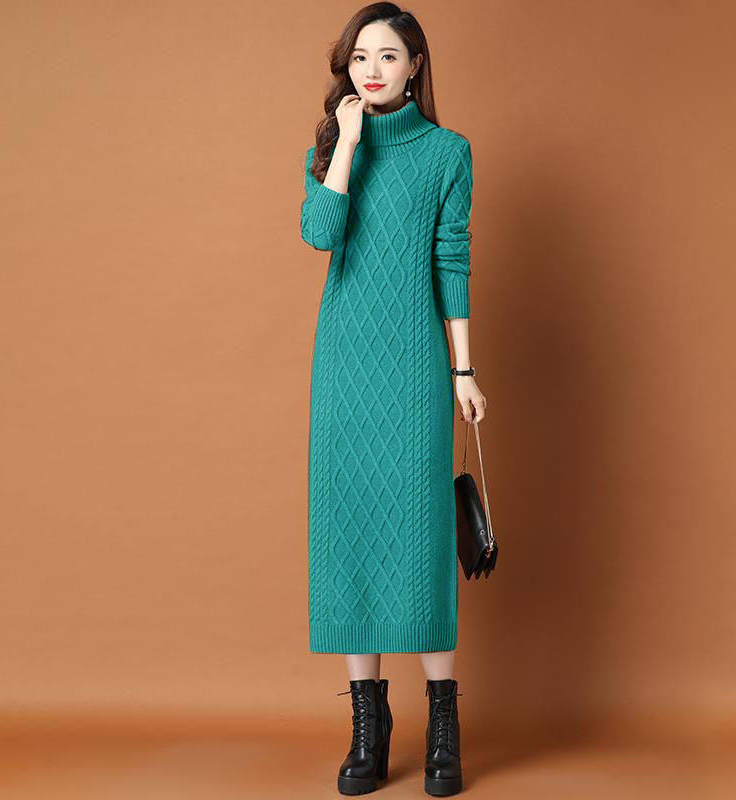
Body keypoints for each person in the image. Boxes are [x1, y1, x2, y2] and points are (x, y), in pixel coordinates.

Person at [300, 3, 487, 795]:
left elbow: (452, 258)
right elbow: (319, 233)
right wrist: (346, 143)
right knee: (350, 532)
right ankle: (367, 730)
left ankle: (443, 726)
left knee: (420, 536)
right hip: (344, 368)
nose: (371, 69)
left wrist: (463, 371)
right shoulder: (329, 147)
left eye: (388, 56)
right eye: (359, 57)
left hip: (414, 369)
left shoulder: (448, 153)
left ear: (415, 66)